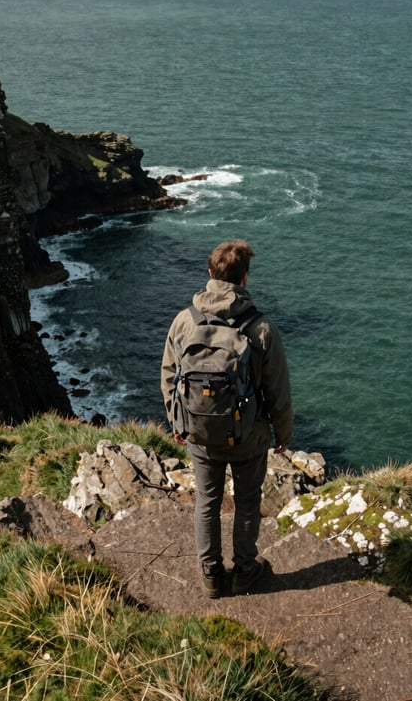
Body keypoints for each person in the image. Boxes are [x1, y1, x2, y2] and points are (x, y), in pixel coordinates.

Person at [161, 239, 293, 598]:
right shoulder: (260, 328)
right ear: (245, 279)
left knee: (207, 501)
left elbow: (170, 375)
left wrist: (178, 422)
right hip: (248, 435)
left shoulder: (184, 321)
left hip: (199, 434)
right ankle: (245, 570)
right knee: (247, 501)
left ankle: (210, 576)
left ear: (209, 275)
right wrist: (283, 434)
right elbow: (277, 392)